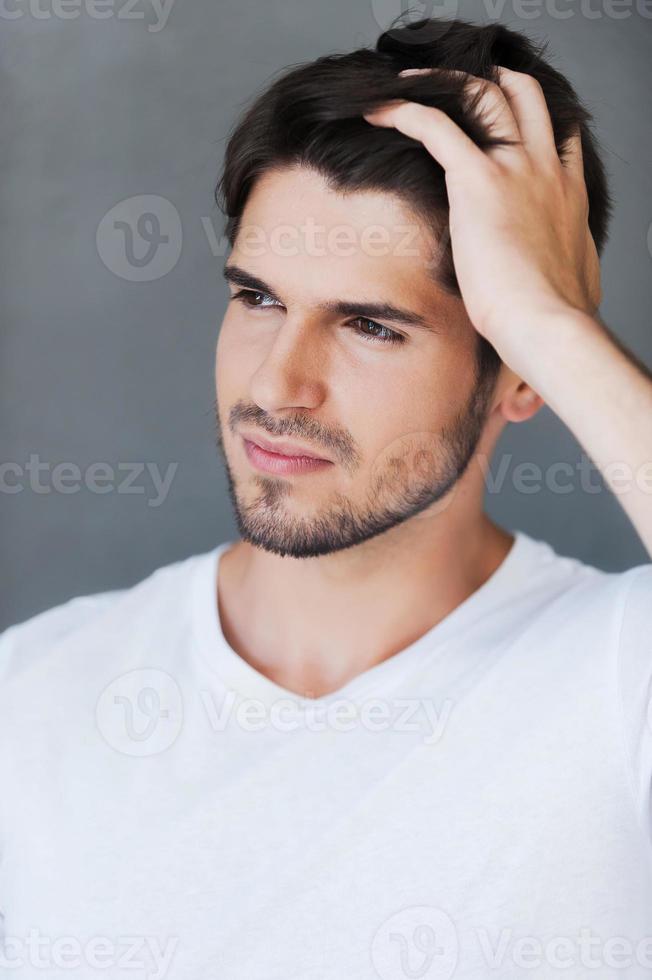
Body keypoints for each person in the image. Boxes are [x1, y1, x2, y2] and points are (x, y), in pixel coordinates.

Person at [1, 16, 651, 980]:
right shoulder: (31, 698)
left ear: (521, 372)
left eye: (371, 326)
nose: (276, 386)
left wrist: (548, 320)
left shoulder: (618, 688)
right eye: (258, 298)